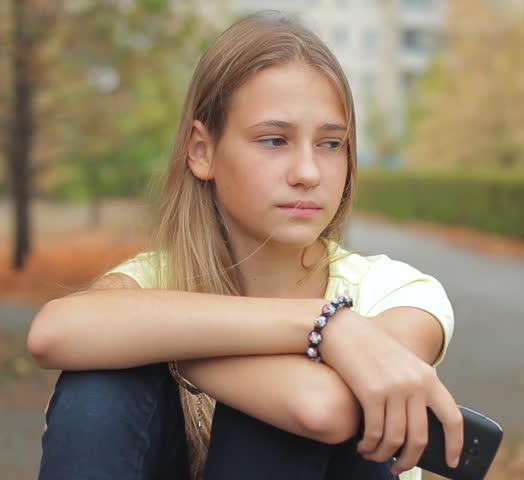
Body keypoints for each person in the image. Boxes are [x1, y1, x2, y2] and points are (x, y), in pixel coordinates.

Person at [27, 10, 464, 480]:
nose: (308, 173)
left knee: (277, 417)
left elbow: (320, 408)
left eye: (331, 144)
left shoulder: (396, 292)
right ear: (202, 150)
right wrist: (327, 328)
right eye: (275, 140)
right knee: (101, 385)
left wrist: (158, 344)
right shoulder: (155, 279)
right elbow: (52, 334)